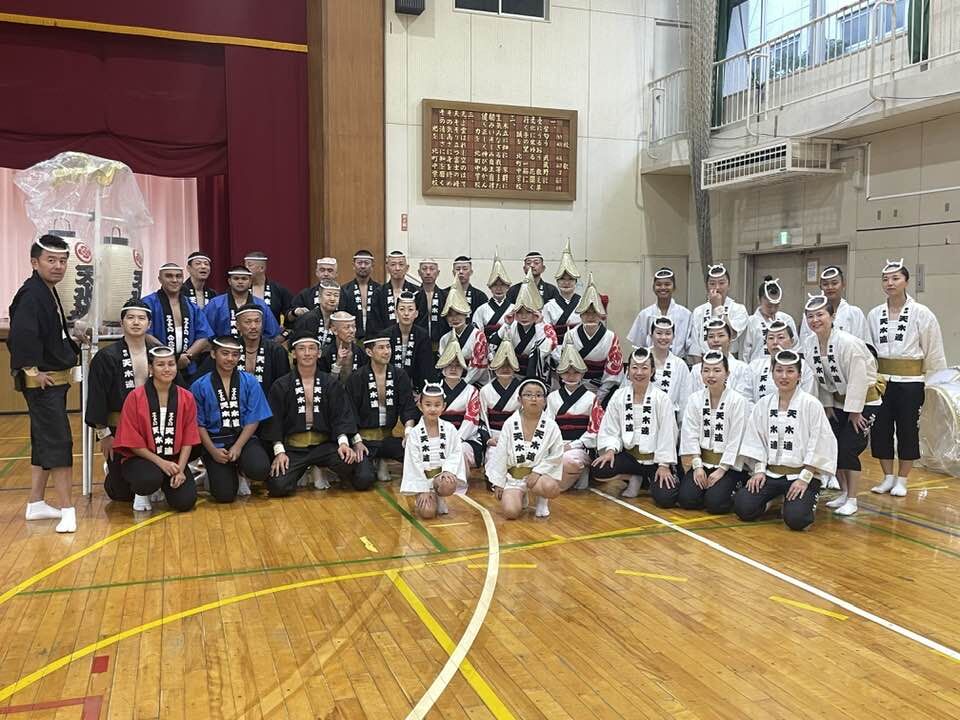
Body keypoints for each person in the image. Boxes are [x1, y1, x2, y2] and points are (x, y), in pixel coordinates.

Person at [8, 235, 81, 532]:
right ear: (34, 262)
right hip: (42, 382)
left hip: (51, 380)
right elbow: (22, 335)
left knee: (43, 441)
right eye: (51, 260)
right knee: (59, 440)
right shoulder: (32, 294)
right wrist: (31, 370)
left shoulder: (47, 291)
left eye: (62, 261)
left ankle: (36, 503)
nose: (58, 266)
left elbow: (49, 334)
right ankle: (67, 509)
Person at [735, 348, 837, 531]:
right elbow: (755, 441)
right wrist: (758, 471)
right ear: (772, 374)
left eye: (790, 371)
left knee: (797, 520)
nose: (784, 376)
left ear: (799, 375)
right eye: (779, 371)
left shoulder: (811, 404)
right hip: (771, 474)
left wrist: (804, 478)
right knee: (744, 507)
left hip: (802, 474)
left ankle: (798, 501)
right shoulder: (763, 405)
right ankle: (775, 499)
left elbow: (820, 443)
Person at [867, 259, 946, 497]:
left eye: (895, 278)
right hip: (882, 381)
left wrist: (932, 385)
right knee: (880, 430)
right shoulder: (874, 314)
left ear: (906, 282)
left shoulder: (922, 313)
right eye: (885, 279)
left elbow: (934, 351)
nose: (890, 283)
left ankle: (902, 479)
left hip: (911, 383)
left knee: (907, 430)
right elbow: (868, 350)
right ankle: (887, 477)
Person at [803, 293, 884, 516]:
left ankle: (853, 499)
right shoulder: (810, 344)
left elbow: (859, 378)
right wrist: (827, 405)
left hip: (864, 403)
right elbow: (822, 380)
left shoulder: (849, 343)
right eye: (810, 316)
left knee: (849, 448)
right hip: (838, 403)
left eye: (820, 315)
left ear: (832, 316)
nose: (815, 320)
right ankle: (844, 492)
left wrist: (855, 411)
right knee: (833, 447)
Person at [263, 332, 365, 496]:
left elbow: (340, 415)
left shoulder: (330, 383)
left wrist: (344, 443)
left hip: (324, 446)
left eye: (312, 349)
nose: (307, 353)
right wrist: (279, 452)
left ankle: (322, 468)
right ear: (293, 353)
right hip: (295, 448)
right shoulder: (281, 385)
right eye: (302, 349)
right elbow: (274, 422)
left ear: (319, 353)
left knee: (361, 473)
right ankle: (303, 470)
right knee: (277, 486)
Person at [109, 347, 200, 512]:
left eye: (171, 364)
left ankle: (162, 486)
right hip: (142, 459)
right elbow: (131, 441)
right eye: (160, 365)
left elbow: (189, 437)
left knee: (185, 502)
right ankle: (142, 492)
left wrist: (180, 469)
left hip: (173, 458)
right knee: (148, 479)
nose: (167, 369)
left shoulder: (186, 397)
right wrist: (161, 463)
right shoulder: (135, 397)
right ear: (151, 368)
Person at [85, 299, 156, 495]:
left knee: (151, 480)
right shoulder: (107, 356)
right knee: (120, 493)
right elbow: (97, 399)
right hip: (119, 428)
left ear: (149, 324)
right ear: (122, 322)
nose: (136, 322)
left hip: (154, 425)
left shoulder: (158, 355)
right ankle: (114, 470)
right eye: (130, 318)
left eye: (141, 318)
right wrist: (104, 435)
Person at [191, 335, 273, 502]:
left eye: (235, 355)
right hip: (214, 442)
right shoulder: (199, 385)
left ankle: (242, 471)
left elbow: (253, 418)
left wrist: (238, 446)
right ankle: (213, 470)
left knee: (260, 469)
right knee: (224, 496)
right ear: (214, 354)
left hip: (243, 438)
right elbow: (198, 424)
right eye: (225, 353)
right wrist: (213, 451)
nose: (230, 359)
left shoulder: (250, 381)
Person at [592, 347, 678, 502]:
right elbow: (611, 427)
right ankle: (634, 477)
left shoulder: (662, 398)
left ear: (652, 371)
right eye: (635, 368)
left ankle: (649, 479)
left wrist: (664, 465)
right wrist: (610, 450)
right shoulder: (619, 396)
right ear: (628, 370)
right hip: (630, 458)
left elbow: (668, 433)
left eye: (644, 368)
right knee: (599, 469)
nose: (639, 372)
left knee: (666, 498)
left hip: (655, 461)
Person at [673, 351, 749, 513]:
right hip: (702, 462)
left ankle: (733, 487)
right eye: (706, 370)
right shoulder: (695, 399)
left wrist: (721, 470)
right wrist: (697, 466)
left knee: (715, 504)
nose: (711, 375)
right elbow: (690, 434)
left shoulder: (738, 401)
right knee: (687, 499)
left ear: (727, 373)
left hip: (728, 467)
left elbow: (736, 439)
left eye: (716, 370)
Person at [346, 333, 418, 485]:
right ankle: (372, 463)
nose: (386, 351)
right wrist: (356, 441)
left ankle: (382, 459)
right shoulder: (357, 377)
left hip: (388, 438)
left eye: (388, 347)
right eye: (381, 348)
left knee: (420, 457)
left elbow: (408, 407)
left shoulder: (399, 375)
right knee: (363, 480)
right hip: (364, 440)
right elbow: (349, 413)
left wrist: (408, 431)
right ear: (369, 352)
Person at [485, 378, 563, 519]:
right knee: (510, 513)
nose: (534, 399)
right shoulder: (510, 423)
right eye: (528, 395)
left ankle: (542, 499)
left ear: (545, 401)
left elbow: (556, 456)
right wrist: (498, 482)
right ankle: (522, 495)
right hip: (514, 477)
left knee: (551, 488)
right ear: (520, 399)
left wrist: (538, 472)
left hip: (537, 477)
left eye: (539, 395)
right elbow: (500, 454)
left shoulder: (551, 426)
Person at [401, 381, 468, 519]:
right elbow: (413, 463)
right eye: (428, 404)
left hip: (440, 477)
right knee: (427, 514)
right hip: (423, 479)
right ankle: (426, 496)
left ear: (444, 406)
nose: (432, 409)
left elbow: (456, 452)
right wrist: (423, 489)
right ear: (420, 406)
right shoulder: (414, 433)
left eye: (437, 405)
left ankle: (439, 495)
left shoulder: (449, 429)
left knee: (449, 483)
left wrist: (449, 470)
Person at [552, 273, 622, 401]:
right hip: (573, 386)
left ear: (601, 315)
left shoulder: (611, 337)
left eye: (594, 312)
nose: (590, 317)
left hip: (600, 390)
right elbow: (565, 365)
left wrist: (599, 396)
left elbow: (613, 372)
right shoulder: (570, 335)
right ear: (580, 315)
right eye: (586, 313)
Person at [142, 262, 213, 381]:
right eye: (169, 276)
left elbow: (203, 336)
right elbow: (145, 334)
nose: (174, 280)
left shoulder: (191, 305)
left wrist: (186, 357)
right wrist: (172, 357)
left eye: (178, 276)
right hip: (157, 364)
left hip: (187, 365)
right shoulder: (148, 303)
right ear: (160, 279)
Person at [546, 336, 599, 491]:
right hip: (557, 445)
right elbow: (548, 425)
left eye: (575, 372)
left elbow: (595, 430)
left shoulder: (592, 398)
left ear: (582, 374)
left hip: (580, 447)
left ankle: (560, 484)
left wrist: (574, 445)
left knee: (568, 460)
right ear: (560, 374)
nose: (571, 376)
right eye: (566, 372)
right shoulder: (552, 397)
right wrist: (556, 446)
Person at [217, 303, 291, 397]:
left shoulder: (276, 350)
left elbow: (283, 386)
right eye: (248, 322)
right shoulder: (230, 350)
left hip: (267, 405)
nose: (253, 326)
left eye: (257, 321)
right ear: (238, 325)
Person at [498, 270, 557, 383]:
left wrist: (539, 324)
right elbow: (494, 345)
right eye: (520, 313)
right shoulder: (512, 325)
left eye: (528, 312)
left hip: (537, 375)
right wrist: (506, 324)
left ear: (535, 313)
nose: (523, 317)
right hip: (512, 375)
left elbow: (544, 350)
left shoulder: (545, 328)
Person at [436, 338, 486, 471]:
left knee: (461, 452)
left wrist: (455, 441)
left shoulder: (472, 391)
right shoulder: (433, 390)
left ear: (463, 369)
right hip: (438, 437)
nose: (453, 369)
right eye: (449, 364)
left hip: (465, 440)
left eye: (457, 365)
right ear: (443, 367)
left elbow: (471, 420)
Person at [687, 263, 749, 363]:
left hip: (729, 360)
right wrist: (699, 369)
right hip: (704, 360)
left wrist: (718, 307)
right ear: (706, 286)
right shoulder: (699, 311)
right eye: (712, 283)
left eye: (721, 283)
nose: (717, 287)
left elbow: (732, 334)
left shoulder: (739, 309)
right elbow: (695, 346)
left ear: (729, 284)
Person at [627, 267, 691, 358]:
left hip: (678, 364)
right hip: (650, 363)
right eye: (659, 284)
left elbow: (690, 346)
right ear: (653, 287)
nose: (663, 288)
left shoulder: (686, 315)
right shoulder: (645, 315)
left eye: (667, 284)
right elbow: (638, 345)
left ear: (674, 287)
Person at [204, 265, 280, 339]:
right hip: (224, 349)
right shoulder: (216, 303)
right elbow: (206, 332)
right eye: (236, 279)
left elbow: (272, 333)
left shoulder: (260, 304)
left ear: (250, 282)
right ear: (229, 281)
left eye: (244, 279)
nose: (240, 282)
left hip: (253, 349)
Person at [749, 320, 814, 402]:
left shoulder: (804, 367)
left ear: (792, 341)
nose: (775, 342)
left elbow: (808, 399)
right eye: (771, 338)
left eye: (780, 337)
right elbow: (747, 398)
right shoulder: (755, 366)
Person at [799, 266, 868, 344]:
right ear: (820, 287)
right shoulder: (810, 314)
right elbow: (804, 346)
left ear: (843, 284)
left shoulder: (855, 313)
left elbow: (863, 344)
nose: (830, 287)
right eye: (825, 284)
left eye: (834, 283)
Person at [689, 318, 754, 401]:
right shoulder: (696, 369)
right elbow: (691, 399)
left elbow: (745, 399)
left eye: (721, 336)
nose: (716, 340)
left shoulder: (742, 368)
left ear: (730, 339)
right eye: (711, 336)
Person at [437, 286, 489, 386]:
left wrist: (463, 385)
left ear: (465, 314)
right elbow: (444, 366)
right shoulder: (444, 339)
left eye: (458, 314)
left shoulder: (478, 336)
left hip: (475, 383)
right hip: (451, 381)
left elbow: (478, 368)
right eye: (450, 315)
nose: (454, 318)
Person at [741, 276, 798, 363]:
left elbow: (795, 346)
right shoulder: (750, 322)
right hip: (757, 369)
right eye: (769, 306)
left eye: (776, 305)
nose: (773, 309)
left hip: (783, 366)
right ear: (759, 300)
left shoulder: (787, 319)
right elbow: (745, 352)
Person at [645, 316, 692, 421]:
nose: (663, 337)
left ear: (673, 337)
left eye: (667, 333)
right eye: (659, 333)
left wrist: (682, 429)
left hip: (669, 419)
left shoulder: (680, 365)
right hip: (642, 416)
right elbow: (626, 390)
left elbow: (684, 400)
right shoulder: (641, 359)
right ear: (651, 335)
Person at [386, 291, 434, 390]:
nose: (406, 314)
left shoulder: (422, 335)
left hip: (415, 388)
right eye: (402, 309)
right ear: (395, 312)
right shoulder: (386, 335)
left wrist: (422, 392)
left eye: (410, 309)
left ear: (416, 313)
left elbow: (426, 368)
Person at [480, 340, 523, 447]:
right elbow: (482, 419)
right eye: (501, 364)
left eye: (509, 365)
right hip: (494, 437)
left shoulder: (523, 389)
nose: (505, 368)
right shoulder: (485, 390)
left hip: (518, 437)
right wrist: (488, 439)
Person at [368, 250, 418, 333]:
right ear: (387, 268)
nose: (397, 268)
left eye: (401, 264)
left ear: (407, 268)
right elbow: (374, 322)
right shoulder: (378, 293)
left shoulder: (417, 292)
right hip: (384, 341)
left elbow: (420, 321)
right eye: (393, 265)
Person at [541, 241, 581, 343]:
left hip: (580, 347)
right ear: (557, 282)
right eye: (562, 279)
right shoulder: (549, 306)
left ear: (575, 282)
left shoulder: (583, 303)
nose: (566, 283)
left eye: (570, 279)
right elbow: (545, 331)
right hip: (555, 348)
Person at [474, 253, 514, 349]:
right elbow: (477, 334)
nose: (499, 288)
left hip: (510, 349)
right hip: (487, 349)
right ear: (490, 287)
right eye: (495, 285)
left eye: (502, 285)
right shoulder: (481, 310)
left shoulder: (514, 308)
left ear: (508, 287)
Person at [340, 250, 380, 339]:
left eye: (366, 263)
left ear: (372, 266)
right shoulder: (344, 290)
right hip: (351, 336)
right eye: (359, 263)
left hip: (375, 336)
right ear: (353, 265)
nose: (363, 266)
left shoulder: (380, 289)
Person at [244, 251, 292, 325]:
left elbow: (289, 313)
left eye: (249, 265)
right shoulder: (241, 289)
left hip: (272, 334)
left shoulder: (278, 290)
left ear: (262, 268)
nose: (245, 269)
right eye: (245, 265)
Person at [319, 311, 368, 382]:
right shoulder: (324, 355)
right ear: (334, 330)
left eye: (354, 327)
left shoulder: (362, 353)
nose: (352, 331)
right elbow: (324, 385)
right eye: (346, 327)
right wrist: (337, 364)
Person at [288, 257, 340, 324]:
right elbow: (288, 319)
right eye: (322, 270)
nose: (326, 274)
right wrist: (295, 312)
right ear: (316, 273)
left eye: (330, 271)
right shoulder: (306, 294)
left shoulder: (345, 294)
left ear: (336, 274)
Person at [293, 280, 342, 348]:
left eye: (336, 295)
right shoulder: (308, 319)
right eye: (328, 295)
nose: (332, 299)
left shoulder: (338, 320)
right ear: (319, 297)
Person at [414, 258, 449, 350]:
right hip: (417, 343)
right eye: (424, 269)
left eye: (432, 269)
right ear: (419, 272)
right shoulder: (413, 296)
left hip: (441, 344)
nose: (428, 272)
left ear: (438, 272)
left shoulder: (446, 296)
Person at [450, 255, 488, 321]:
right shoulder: (445, 294)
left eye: (465, 269)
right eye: (458, 269)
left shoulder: (480, 296)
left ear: (471, 272)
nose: (461, 272)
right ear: (453, 272)